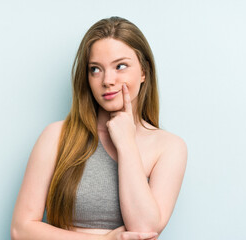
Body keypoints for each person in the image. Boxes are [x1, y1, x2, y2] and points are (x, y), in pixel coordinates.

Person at [11, 16, 187, 240]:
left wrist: (126, 143)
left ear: (143, 71)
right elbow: (20, 230)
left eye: (120, 66)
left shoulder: (170, 147)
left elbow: (145, 229)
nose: (107, 80)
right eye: (95, 69)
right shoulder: (56, 136)